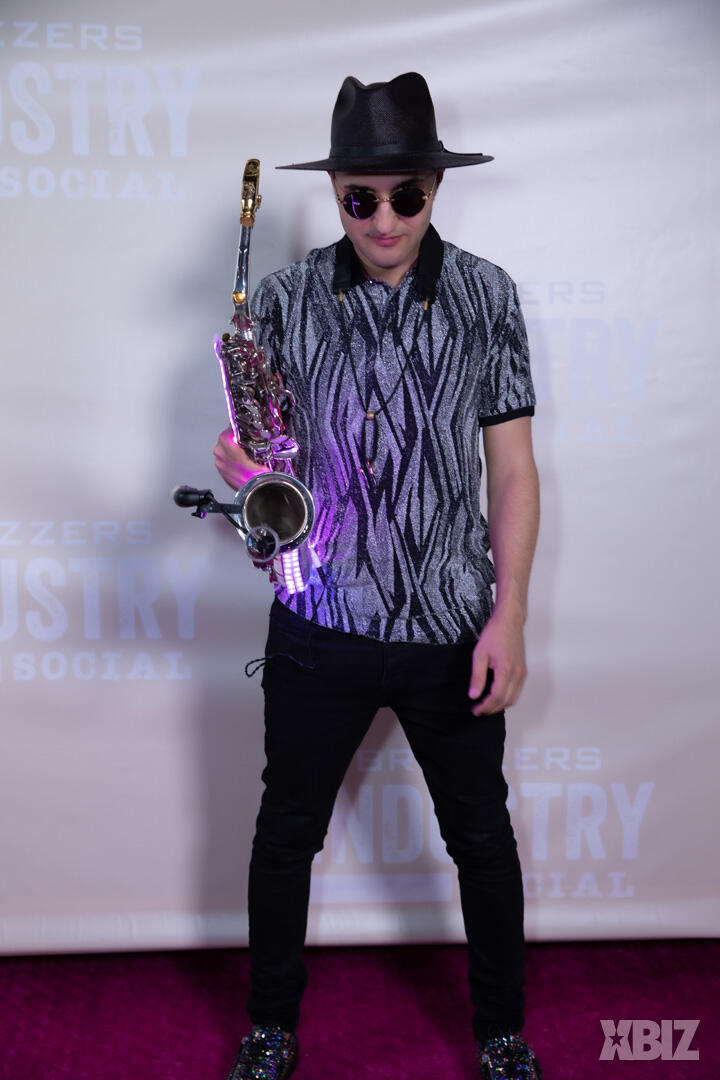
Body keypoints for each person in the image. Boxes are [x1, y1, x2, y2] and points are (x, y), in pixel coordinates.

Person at [213, 73, 542, 1080]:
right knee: (286, 836)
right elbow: (267, 459)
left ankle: (502, 1034)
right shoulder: (282, 299)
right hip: (320, 622)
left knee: (480, 839)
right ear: (337, 192)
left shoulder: (488, 295)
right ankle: (271, 1028)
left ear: (436, 189)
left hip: (451, 624)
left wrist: (510, 618)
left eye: (408, 196)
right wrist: (247, 472)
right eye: (361, 198)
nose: (386, 220)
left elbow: (513, 471)